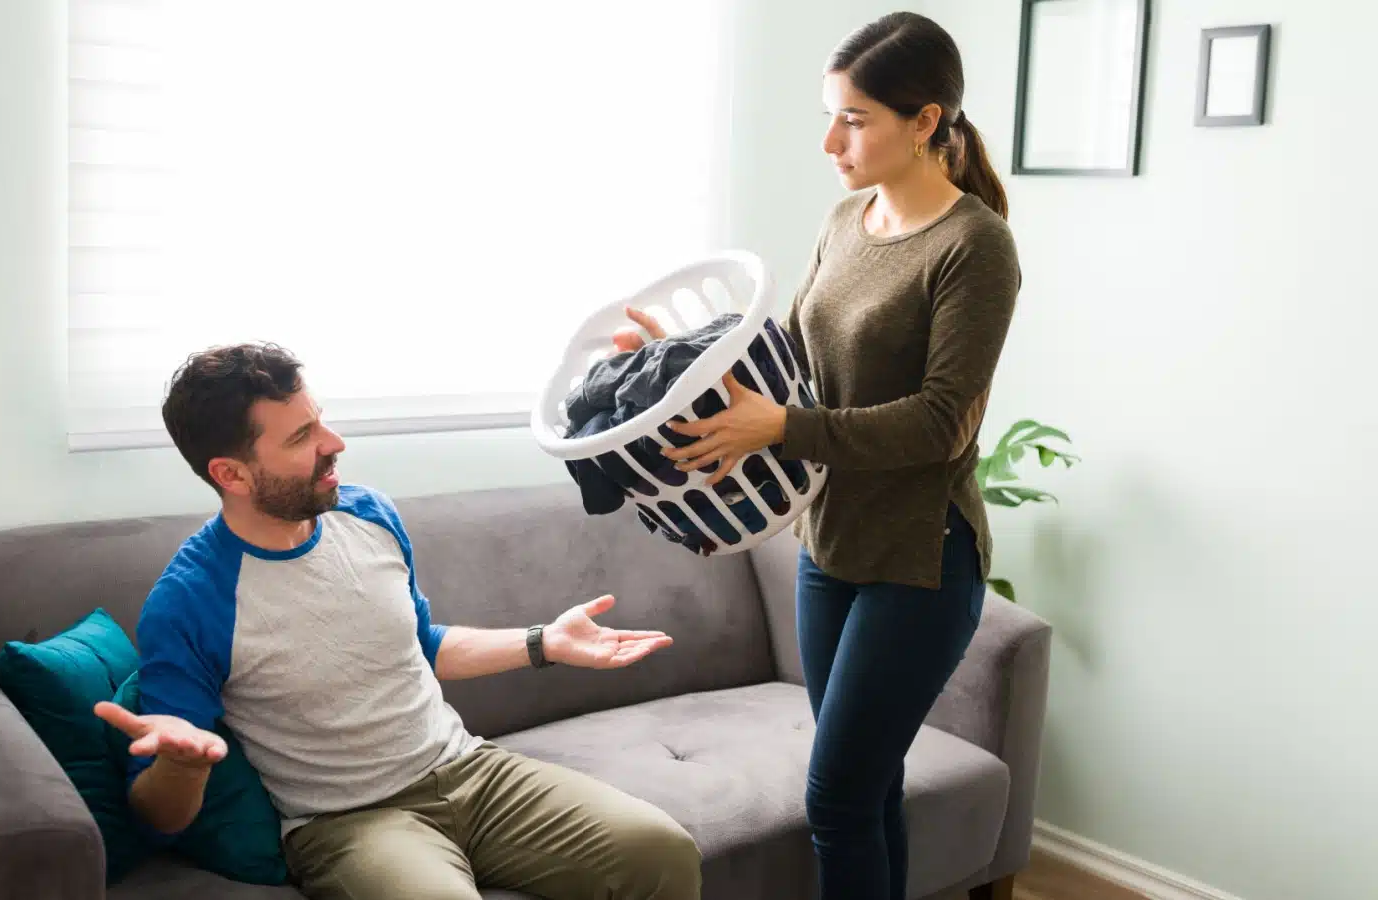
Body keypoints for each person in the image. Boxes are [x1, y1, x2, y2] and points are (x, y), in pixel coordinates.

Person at [629, 12, 1021, 900]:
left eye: (854, 119)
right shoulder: (848, 219)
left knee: (835, 800)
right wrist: (679, 356)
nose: (830, 141)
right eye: (829, 114)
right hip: (828, 546)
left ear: (925, 122)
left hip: (919, 562)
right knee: (868, 789)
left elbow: (939, 425)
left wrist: (781, 430)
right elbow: (793, 365)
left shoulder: (974, 247)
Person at [92, 342, 702, 900]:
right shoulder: (189, 602)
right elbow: (159, 814)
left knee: (661, 852)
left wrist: (545, 641)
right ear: (231, 474)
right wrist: (183, 765)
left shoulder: (369, 515)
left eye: (320, 418)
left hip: (469, 770)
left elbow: (421, 644)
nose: (333, 443)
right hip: (349, 822)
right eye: (302, 435)